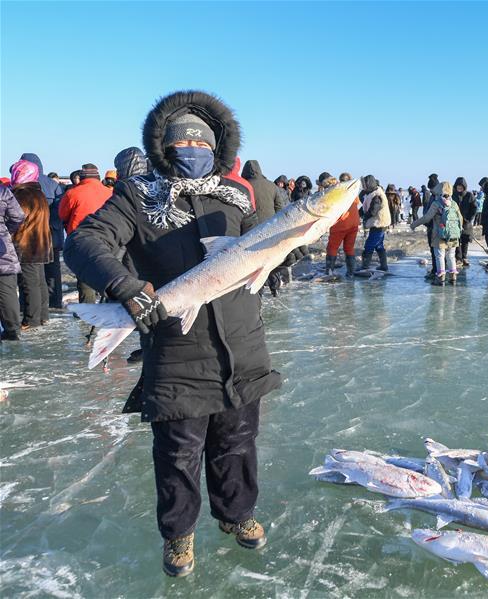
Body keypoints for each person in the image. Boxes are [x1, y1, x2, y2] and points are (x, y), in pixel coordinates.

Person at [64, 91, 281, 577]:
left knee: (238, 442)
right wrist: (124, 286)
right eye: (182, 141)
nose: (192, 148)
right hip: (178, 351)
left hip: (243, 345)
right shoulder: (138, 197)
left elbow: (268, 246)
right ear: (163, 146)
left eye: (201, 142)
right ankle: (179, 533)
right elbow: (82, 242)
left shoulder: (237, 196)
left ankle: (237, 513)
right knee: (179, 452)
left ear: (217, 148)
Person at [58, 163, 113, 304]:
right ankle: (108, 306)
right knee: (108, 272)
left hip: (80, 239)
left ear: (82, 177)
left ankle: (88, 308)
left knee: (85, 276)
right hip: (107, 237)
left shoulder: (73, 193)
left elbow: (62, 214)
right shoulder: (109, 193)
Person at [19, 153, 65, 310]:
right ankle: (55, 302)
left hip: (29, 235)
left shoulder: (22, 182)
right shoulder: (52, 184)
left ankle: (27, 305)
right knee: (52, 270)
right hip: (51, 234)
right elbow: (60, 208)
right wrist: (51, 224)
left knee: (30, 272)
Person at [9, 160, 52, 330]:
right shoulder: (38, 193)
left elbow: (15, 219)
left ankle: (31, 319)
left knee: (29, 283)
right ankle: (42, 315)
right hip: (39, 242)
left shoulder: (23, 195)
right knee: (39, 281)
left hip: (27, 244)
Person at [242, 160, 288, 294]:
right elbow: (280, 209)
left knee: (256, 263)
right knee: (270, 259)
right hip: (270, 229)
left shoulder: (243, 186)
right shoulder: (271, 186)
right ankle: (275, 287)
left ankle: (258, 291)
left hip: (251, 230)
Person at [412, 181, 462, 286]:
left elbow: (427, 218)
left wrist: (414, 224)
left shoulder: (437, 203)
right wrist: (459, 230)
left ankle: (440, 278)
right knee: (451, 255)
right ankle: (453, 277)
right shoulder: (454, 204)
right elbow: (460, 218)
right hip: (453, 235)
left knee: (439, 256)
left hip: (439, 234)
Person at [0, 185, 25, 341]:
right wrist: (5, 231)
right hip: (1, 245)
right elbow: (18, 216)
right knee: (6, 289)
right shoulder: (2, 191)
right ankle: (12, 329)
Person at [324, 173, 360, 277]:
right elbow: (357, 203)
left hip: (341, 224)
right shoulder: (353, 191)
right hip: (354, 223)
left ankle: (329, 272)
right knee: (349, 248)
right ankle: (351, 273)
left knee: (332, 247)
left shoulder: (337, 191)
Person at [360, 174, 390, 272]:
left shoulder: (377, 196)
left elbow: (373, 211)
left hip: (379, 223)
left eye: (364, 185)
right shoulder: (373, 193)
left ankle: (365, 266)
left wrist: (364, 216)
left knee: (369, 245)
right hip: (380, 223)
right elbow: (366, 207)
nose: (363, 187)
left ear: (369, 184)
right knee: (378, 245)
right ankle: (384, 266)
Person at [451, 178, 476, 267]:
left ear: (464, 187)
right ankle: (458, 258)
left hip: (466, 222)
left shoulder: (469, 195)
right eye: (458, 186)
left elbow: (474, 208)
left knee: (465, 240)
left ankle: (464, 257)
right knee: (456, 240)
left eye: (461, 186)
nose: (459, 188)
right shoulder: (453, 195)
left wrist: (469, 218)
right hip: (455, 222)